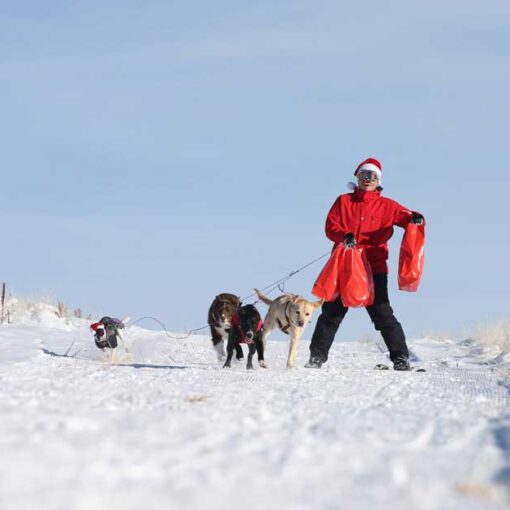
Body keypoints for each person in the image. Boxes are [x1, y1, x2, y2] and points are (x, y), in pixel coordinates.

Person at [305, 157, 424, 371]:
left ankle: (400, 358)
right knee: (332, 312)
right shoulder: (343, 201)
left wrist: (414, 218)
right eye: (364, 175)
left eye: (373, 176)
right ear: (357, 178)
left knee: (382, 312)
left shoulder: (388, 205)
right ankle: (316, 357)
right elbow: (331, 226)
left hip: (374, 266)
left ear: (379, 181)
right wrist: (343, 236)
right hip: (345, 266)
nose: (368, 179)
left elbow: (405, 216)